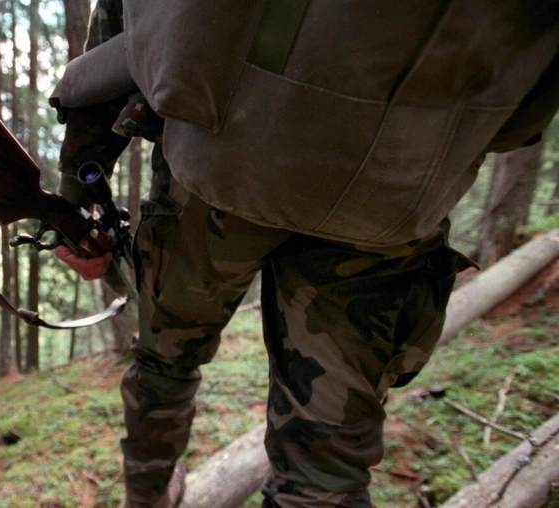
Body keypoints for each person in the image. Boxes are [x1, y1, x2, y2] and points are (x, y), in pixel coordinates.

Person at [50, 2, 559, 506]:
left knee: (165, 360)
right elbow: (525, 111)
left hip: (215, 165)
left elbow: (125, 19)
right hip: (390, 193)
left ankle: (145, 497)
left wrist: (80, 194)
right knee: (326, 462)